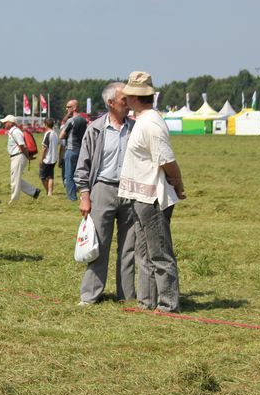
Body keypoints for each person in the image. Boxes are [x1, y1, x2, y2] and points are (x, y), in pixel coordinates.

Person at [118, 71, 185, 313]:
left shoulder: (152, 123)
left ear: (136, 97)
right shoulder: (143, 121)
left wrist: (178, 183)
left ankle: (168, 305)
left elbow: (167, 160)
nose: (124, 99)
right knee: (143, 254)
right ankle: (146, 302)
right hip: (139, 196)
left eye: (128, 95)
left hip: (153, 197)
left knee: (160, 254)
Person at [74, 82, 137, 304]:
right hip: (103, 189)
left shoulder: (135, 127)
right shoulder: (95, 129)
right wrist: (84, 195)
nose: (128, 104)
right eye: (124, 100)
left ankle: (126, 296)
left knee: (129, 246)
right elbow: (83, 164)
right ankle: (90, 296)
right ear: (110, 103)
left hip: (131, 190)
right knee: (98, 244)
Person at [1, 115, 39, 203]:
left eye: (5, 122)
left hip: (18, 156)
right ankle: (34, 192)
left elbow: (22, 146)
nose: (4, 124)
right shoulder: (13, 131)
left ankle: (14, 200)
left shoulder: (16, 132)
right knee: (16, 179)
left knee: (14, 180)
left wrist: (27, 156)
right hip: (16, 156)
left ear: (11, 123)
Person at [59, 99, 87, 201]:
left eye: (68, 107)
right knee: (78, 174)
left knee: (69, 175)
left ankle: (72, 197)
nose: (66, 109)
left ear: (74, 108)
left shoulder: (71, 121)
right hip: (80, 150)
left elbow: (61, 136)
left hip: (70, 150)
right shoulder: (84, 120)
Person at [39, 118, 59, 196]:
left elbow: (44, 148)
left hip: (47, 159)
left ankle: (47, 190)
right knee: (50, 176)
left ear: (46, 125)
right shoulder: (55, 133)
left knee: (42, 176)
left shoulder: (47, 134)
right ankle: (50, 193)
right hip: (54, 158)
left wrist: (41, 158)